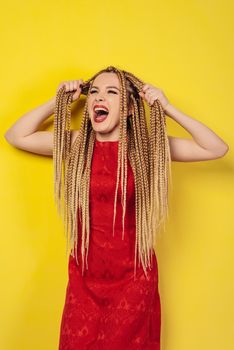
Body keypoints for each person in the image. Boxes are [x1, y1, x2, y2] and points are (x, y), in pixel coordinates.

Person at [4, 66, 229, 349]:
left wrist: (167, 107)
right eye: (95, 92)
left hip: (134, 280)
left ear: (131, 108)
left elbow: (216, 149)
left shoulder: (148, 148)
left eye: (112, 92)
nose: (100, 97)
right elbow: (16, 135)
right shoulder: (77, 144)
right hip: (84, 277)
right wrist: (59, 100)